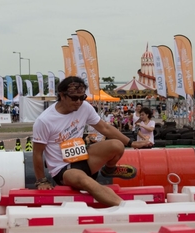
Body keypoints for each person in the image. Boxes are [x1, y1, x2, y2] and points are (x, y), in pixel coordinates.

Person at [32, 76, 139, 207]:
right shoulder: (44, 121)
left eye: (82, 97)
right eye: (74, 98)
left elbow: (104, 128)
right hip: (63, 169)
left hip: (83, 157)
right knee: (87, 182)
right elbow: (37, 153)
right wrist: (41, 181)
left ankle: (109, 170)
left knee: (117, 145)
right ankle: (125, 207)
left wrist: (131, 143)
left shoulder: (84, 107)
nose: (78, 102)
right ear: (62, 95)